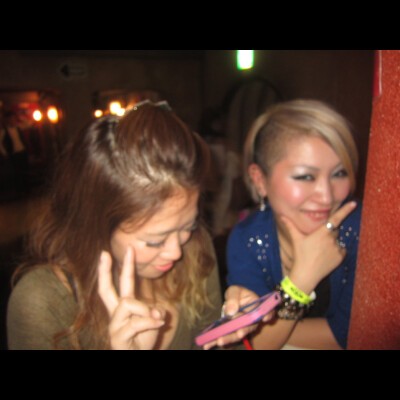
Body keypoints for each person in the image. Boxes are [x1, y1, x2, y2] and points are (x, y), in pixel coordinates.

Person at [7, 100, 223, 350]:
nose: (176, 251)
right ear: (96, 225)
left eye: (188, 226)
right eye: (155, 241)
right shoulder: (44, 303)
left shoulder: (196, 251)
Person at [219, 99, 361, 350]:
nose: (327, 196)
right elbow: (258, 343)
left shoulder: (360, 230)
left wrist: (271, 328)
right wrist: (302, 278)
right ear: (260, 180)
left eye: (339, 173)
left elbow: (351, 335)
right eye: (305, 176)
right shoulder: (248, 239)